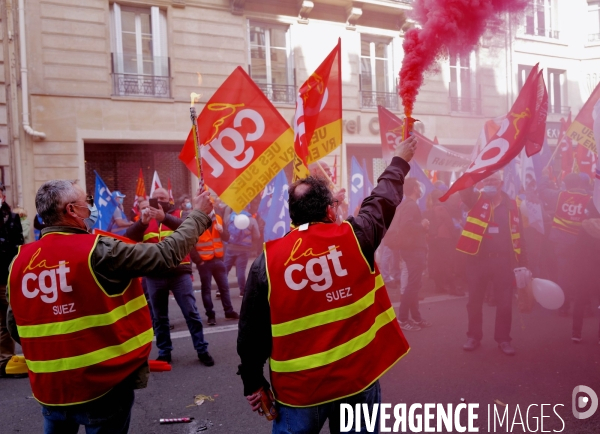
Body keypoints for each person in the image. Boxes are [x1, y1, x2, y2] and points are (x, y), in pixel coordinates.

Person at [237, 135, 417, 434]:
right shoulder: (356, 237)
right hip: (356, 383)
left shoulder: (266, 262)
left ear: (292, 214)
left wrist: (254, 383)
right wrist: (399, 160)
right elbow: (381, 201)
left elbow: (250, 334)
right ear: (330, 210)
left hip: (298, 394)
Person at [7, 180, 213, 433]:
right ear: (72, 210)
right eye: (88, 203)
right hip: (102, 386)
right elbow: (165, 255)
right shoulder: (98, 250)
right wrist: (199, 214)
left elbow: (15, 326)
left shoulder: (19, 260)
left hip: (50, 389)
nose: (91, 209)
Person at [125, 187, 214, 366]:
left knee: (191, 313)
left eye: (163, 197)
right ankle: (165, 352)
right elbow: (129, 237)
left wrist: (163, 217)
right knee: (159, 318)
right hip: (154, 274)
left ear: (169, 199)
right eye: (156, 198)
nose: (159, 200)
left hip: (179, 272)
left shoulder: (181, 213)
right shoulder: (143, 218)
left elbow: (190, 228)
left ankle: (202, 349)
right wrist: (143, 222)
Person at [459, 171, 527, 356]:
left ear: (501, 183)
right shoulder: (475, 199)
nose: (489, 183)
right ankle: (473, 336)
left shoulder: (512, 205)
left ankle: (504, 339)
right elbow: (463, 190)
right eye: (486, 180)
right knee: (474, 302)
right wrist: (474, 173)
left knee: (505, 303)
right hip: (477, 260)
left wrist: (524, 263)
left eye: (493, 180)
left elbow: (520, 233)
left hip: (503, 261)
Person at [539, 172, 592, 316]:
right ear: (580, 184)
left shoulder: (559, 195)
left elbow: (541, 190)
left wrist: (545, 175)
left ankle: (563, 305)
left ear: (565, 183)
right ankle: (586, 305)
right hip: (583, 243)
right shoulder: (590, 198)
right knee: (583, 274)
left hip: (561, 242)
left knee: (563, 274)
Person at [394, 177, 431, 331]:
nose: (420, 188)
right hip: (414, 250)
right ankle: (402, 318)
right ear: (415, 189)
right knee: (413, 285)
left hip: (412, 249)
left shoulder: (407, 204)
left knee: (414, 285)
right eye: (418, 186)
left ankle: (416, 318)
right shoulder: (410, 205)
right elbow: (406, 225)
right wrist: (422, 225)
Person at [195, 208, 239, 325]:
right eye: (207, 205)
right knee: (206, 290)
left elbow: (227, 237)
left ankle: (228, 312)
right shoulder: (195, 221)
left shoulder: (218, 218)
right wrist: (198, 261)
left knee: (224, 288)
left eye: (211, 205)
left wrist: (221, 232)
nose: (210, 207)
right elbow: (189, 243)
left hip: (218, 259)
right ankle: (210, 315)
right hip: (204, 262)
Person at [0, 182, 23, 377]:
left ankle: (6, 359)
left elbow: (19, 245)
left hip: (5, 275)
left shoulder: (13, 217)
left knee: (6, 320)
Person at [424, 189, 462, 296]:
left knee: (437, 263)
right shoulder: (441, 209)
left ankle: (438, 286)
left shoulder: (429, 209)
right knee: (448, 263)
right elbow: (449, 224)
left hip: (433, 239)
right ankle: (453, 288)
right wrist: (455, 236)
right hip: (444, 238)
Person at [224, 207, 260, 298]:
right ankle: (242, 291)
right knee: (241, 270)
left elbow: (225, 230)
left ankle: (220, 290)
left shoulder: (230, 217)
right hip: (244, 249)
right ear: (248, 208)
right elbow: (257, 235)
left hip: (230, 247)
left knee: (225, 269)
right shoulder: (251, 219)